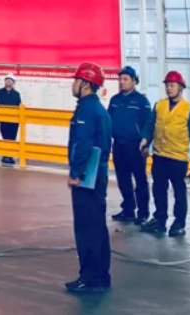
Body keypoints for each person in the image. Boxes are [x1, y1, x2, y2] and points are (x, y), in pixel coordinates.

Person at [65, 62, 112, 295]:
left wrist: (75, 173)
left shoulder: (86, 110)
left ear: (85, 84)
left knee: (86, 228)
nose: (73, 84)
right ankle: (101, 275)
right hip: (99, 175)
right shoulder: (100, 110)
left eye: (76, 80)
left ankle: (90, 278)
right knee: (97, 226)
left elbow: (83, 144)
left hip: (87, 177)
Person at [141, 70, 190, 238]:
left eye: (172, 85)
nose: (169, 88)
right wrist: (145, 140)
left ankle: (179, 223)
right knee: (158, 190)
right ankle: (160, 220)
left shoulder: (189, 110)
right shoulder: (159, 106)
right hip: (160, 156)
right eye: (167, 85)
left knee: (179, 192)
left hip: (178, 159)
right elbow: (150, 125)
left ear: (180, 88)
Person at [106, 65, 151, 225]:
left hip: (136, 146)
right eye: (120, 79)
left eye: (125, 79)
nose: (122, 82)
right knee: (123, 179)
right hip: (119, 145)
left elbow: (148, 124)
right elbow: (108, 121)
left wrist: (146, 143)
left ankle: (143, 213)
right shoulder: (115, 100)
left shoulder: (142, 101)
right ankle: (128, 209)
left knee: (140, 180)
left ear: (134, 81)